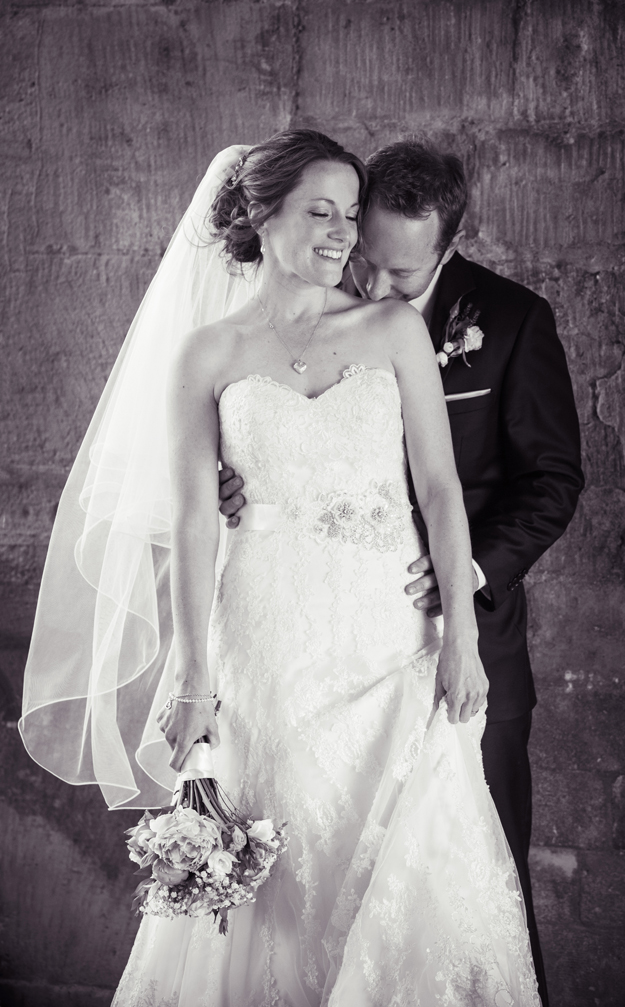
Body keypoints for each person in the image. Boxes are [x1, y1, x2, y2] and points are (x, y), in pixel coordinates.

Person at [21, 131, 541, 1006]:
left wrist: (459, 634)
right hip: (264, 635)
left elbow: (441, 490)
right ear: (260, 217)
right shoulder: (208, 354)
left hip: (388, 639)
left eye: (350, 213)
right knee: (281, 868)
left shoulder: (392, 330)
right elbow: (194, 521)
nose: (342, 234)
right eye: (319, 212)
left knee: (405, 860)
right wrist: (194, 679)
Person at [219, 141, 584, 1007]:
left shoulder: (513, 320)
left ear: (448, 247)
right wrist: (235, 475)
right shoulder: (299, 309)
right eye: (364, 259)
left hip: (461, 633)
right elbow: (264, 425)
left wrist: (462, 576)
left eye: (401, 272)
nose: (373, 284)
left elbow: (550, 480)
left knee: (471, 888)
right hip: (313, 637)